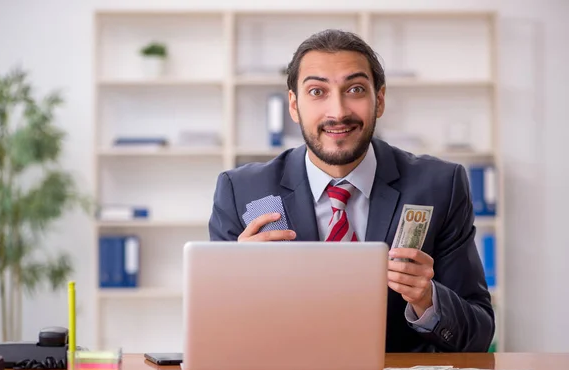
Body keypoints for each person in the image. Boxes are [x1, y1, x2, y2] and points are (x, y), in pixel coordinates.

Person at [208, 29, 495, 353]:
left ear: (380, 99)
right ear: (294, 105)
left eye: (355, 89)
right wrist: (238, 284)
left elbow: (479, 336)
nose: (338, 112)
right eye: (317, 91)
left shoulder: (440, 185)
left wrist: (427, 299)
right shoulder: (241, 191)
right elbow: (216, 338)